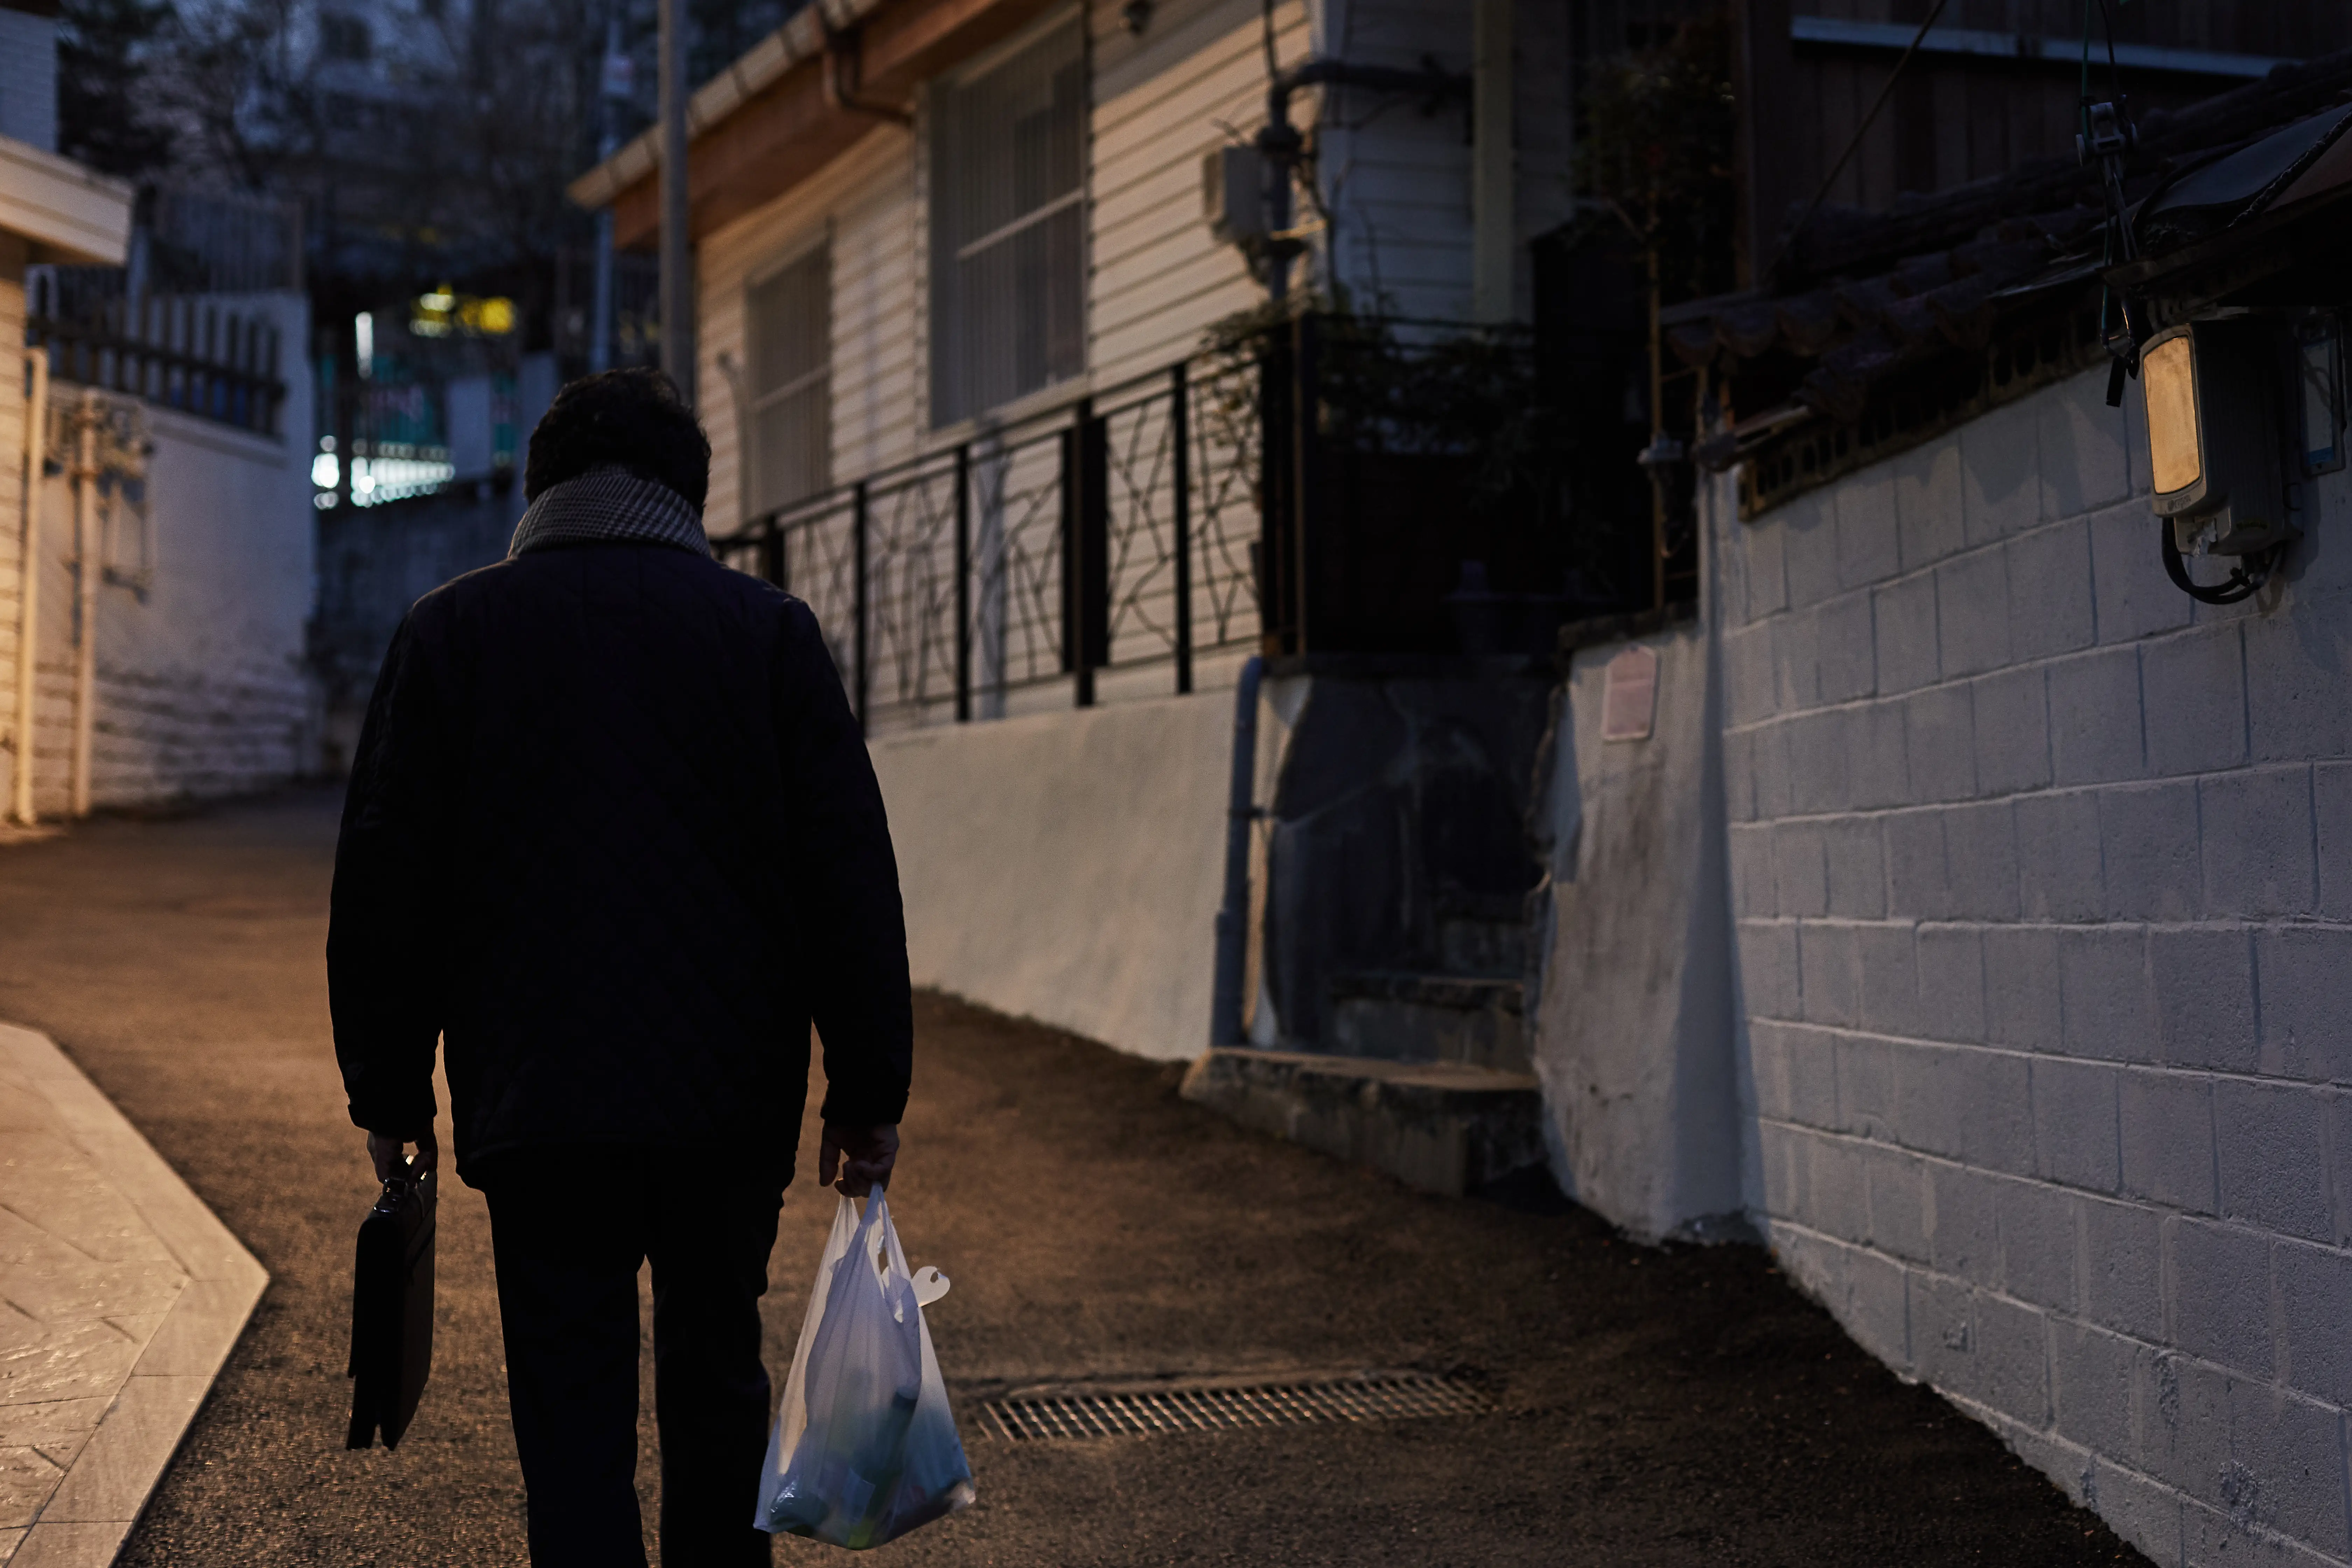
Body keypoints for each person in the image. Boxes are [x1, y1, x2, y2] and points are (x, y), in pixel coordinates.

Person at [328, 368, 911, 1568]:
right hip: (727, 1107)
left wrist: (390, 1095)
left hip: (539, 1105)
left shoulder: (453, 633)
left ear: (539, 488)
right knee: (718, 1382)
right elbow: (849, 879)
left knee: (569, 1411)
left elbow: (388, 885)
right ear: (689, 494)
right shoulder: (768, 635)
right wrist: (867, 1095)